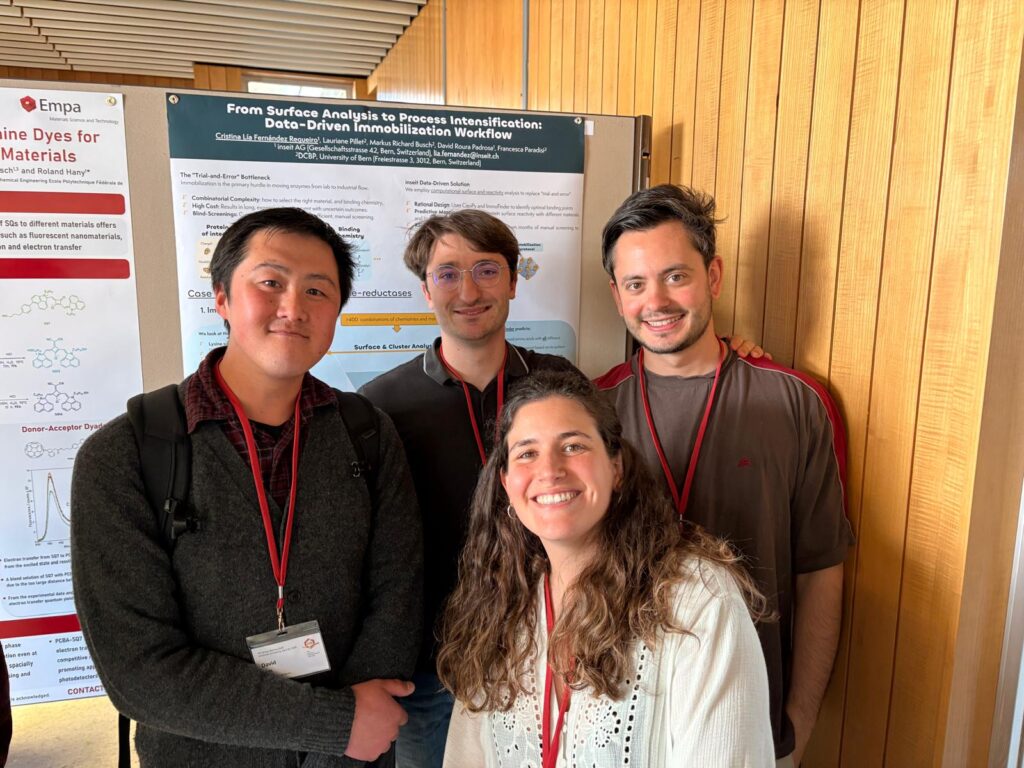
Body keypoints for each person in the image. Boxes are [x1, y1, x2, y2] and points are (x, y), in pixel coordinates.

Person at [71, 207, 422, 767]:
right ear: (222, 298)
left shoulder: (366, 434)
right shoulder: (128, 455)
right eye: (270, 282)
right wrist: (334, 724)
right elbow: (138, 668)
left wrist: (348, 739)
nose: (293, 307)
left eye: (317, 290)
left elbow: (398, 594)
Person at [595, 184, 854, 766]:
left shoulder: (797, 402)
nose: (656, 300)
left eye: (675, 276)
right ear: (616, 295)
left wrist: (798, 722)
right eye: (635, 284)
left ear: (713, 276)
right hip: (619, 721)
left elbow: (821, 570)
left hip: (751, 724)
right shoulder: (592, 411)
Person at [437, 369, 773, 766]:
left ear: (616, 469)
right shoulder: (501, 603)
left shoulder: (697, 598)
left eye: (573, 446)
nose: (550, 470)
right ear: (506, 483)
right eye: (527, 453)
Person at [359, 210, 578, 767]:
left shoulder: (560, 384)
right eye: (448, 274)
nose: (469, 291)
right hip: (432, 670)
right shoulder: (380, 406)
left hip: (549, 648)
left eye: (486, 270)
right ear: (425, 290)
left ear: (513, 280)